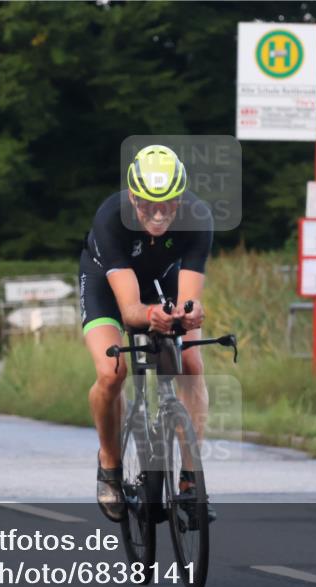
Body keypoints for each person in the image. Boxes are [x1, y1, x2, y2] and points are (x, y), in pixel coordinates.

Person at [79, 145, 212, 521]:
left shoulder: (198, 217)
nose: (157, 214)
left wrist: (190, 312)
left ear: (181, 199)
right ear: (133, 196)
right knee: (112, 373)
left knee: (190, 363)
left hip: (160, 276)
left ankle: (190, 478)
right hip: (108, 284)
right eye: (147, 205)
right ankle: (109, 463)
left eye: (168, 205)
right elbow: (132, 312)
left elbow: (189, 299)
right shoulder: (111, 217)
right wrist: (151, 315)